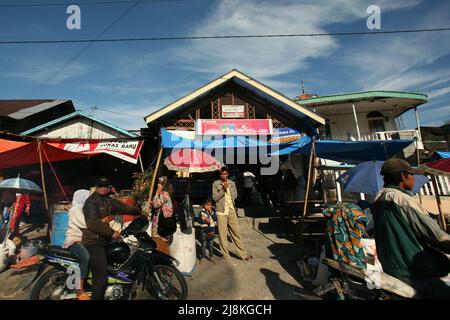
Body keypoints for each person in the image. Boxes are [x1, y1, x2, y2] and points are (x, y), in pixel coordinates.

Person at [373, 158, 450, 299]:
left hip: (393, 270)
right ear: (403, 176)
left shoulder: (379, 200)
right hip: (415, 273)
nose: (413, 179)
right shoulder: (403, 200)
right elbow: (437, 237)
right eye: (411, 175)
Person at [82, 176, 142, 300]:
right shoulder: (91, 202)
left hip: (104, 240)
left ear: (109, 187)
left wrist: (138, 211)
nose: (104, 188)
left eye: (106, 186)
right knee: (101, 273)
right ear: (96, 187)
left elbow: (122, 207)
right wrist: (112, 232)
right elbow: (93, 223)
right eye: (101, 186)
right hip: (93, 242)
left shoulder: (107, 200)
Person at [212, 166, 253, 261]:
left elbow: (235, 196)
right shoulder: (215, 184)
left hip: (231, 210)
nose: (223, 176)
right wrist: (223, 190)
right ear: (219, 174)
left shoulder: (232, 183)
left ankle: (243, 254)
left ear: (228, 174)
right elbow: (214, 198)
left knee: (236, 233)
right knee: (222, 235)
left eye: (225, 174)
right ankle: (225, 255)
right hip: (221, 211)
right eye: (222, 174)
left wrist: (228, 189)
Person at [63, 189, 91, 300]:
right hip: (74, 240)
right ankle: (80, 291)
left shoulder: (81, 209)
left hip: (83, 240)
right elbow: (87, 225)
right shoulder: (76, 209)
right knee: (85, 256)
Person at [151, 176, 175, 254]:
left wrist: (156, 193)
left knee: (159, 246)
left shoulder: (163, 194)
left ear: (163, 185)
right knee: (162, 245)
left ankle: (161, 265)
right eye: (158, 183)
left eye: (160, 183)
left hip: (160, 224)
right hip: (165, 223)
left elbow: (155, 204)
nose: (158, 185)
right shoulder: (168, 193)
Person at [195, 199, 217, 263]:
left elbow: (215, 219)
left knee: (210, 245)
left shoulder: (213, 212)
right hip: (204, 231)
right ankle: (203, 257)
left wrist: (211, 214)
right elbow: (199, 220)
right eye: (206, 205)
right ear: (203, 206)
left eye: (209, 205)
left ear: (211, 206)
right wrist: (204, 220)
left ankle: (211, 256)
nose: (208, 206)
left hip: (211, 231)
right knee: (203, 245)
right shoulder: (201, 212)